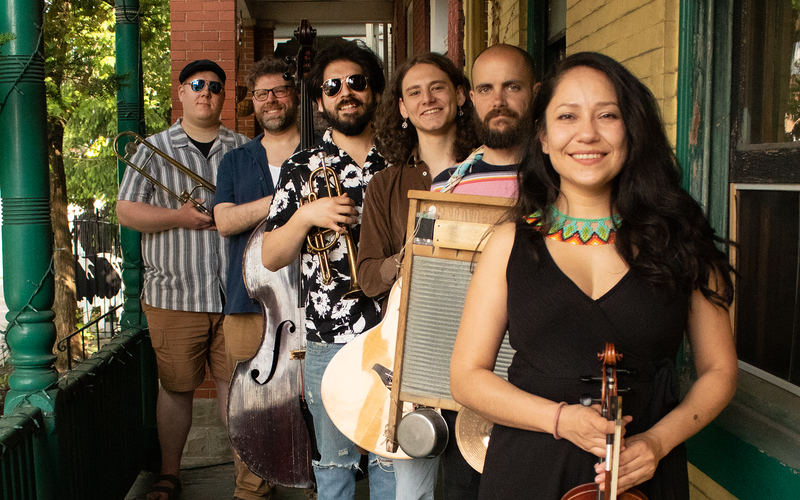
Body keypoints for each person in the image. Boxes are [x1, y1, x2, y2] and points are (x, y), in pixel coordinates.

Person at [449, 52, 738, 500]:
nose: (587, 133)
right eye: (567, 116)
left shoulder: (682, 240)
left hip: (642, 475)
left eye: (608, 115)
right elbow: (467, 377)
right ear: (542, 137)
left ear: (633, 130)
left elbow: (719, 370)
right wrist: (560, 419)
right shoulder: (509, 243)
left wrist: (657, 442)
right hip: (526, 472)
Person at [260, 41, 395, 500]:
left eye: (356, 82)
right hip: (327, 338)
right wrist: (306, 216)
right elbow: (271, 257)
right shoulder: (301, 167)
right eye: (332, 86)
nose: (345, 92)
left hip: (394, 333)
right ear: (319, 102)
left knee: (389, 457)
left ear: (374, 92)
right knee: (334, 465)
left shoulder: (402, 162)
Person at [117, 59, 250, 500]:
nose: (205, 92)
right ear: (181, 92)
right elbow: (127, 211)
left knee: (239, 389)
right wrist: (179, 216)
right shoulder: (153, 149)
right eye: (197, 85)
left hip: (237, 294)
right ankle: (170, 474)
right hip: (174, 292)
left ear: (223, 96)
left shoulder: (243, 148)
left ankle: (248, 480)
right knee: (176, 389)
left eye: (215, 86)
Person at [360, 52, 479, 500]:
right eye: (414, 93)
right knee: (413, 494)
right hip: (417, 354)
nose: (427, 99)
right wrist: (409, 258)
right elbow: (369, 276)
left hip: (486, 350)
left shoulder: (490, 173)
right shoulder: (386, 185)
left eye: (438, 88)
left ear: (461, 97)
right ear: (403, 110)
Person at [212, 56, 302, 500]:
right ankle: (251, 491)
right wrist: (286, 202)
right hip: (249, 302)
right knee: (251, 403)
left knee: (312, 400)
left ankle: (320, 483)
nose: (271, 100)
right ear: (252, 101)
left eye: (280, 91)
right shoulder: (235, 160)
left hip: (312, 300)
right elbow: (225, 222)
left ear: (294, 95)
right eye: (262, 93)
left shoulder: (322, 152)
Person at [432, 44, 539, 197]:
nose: (498, 101)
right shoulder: (443, 189)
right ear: (473, 98)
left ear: (535, 93)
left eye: (512, 87)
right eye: (485, 90)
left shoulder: (564, 182)